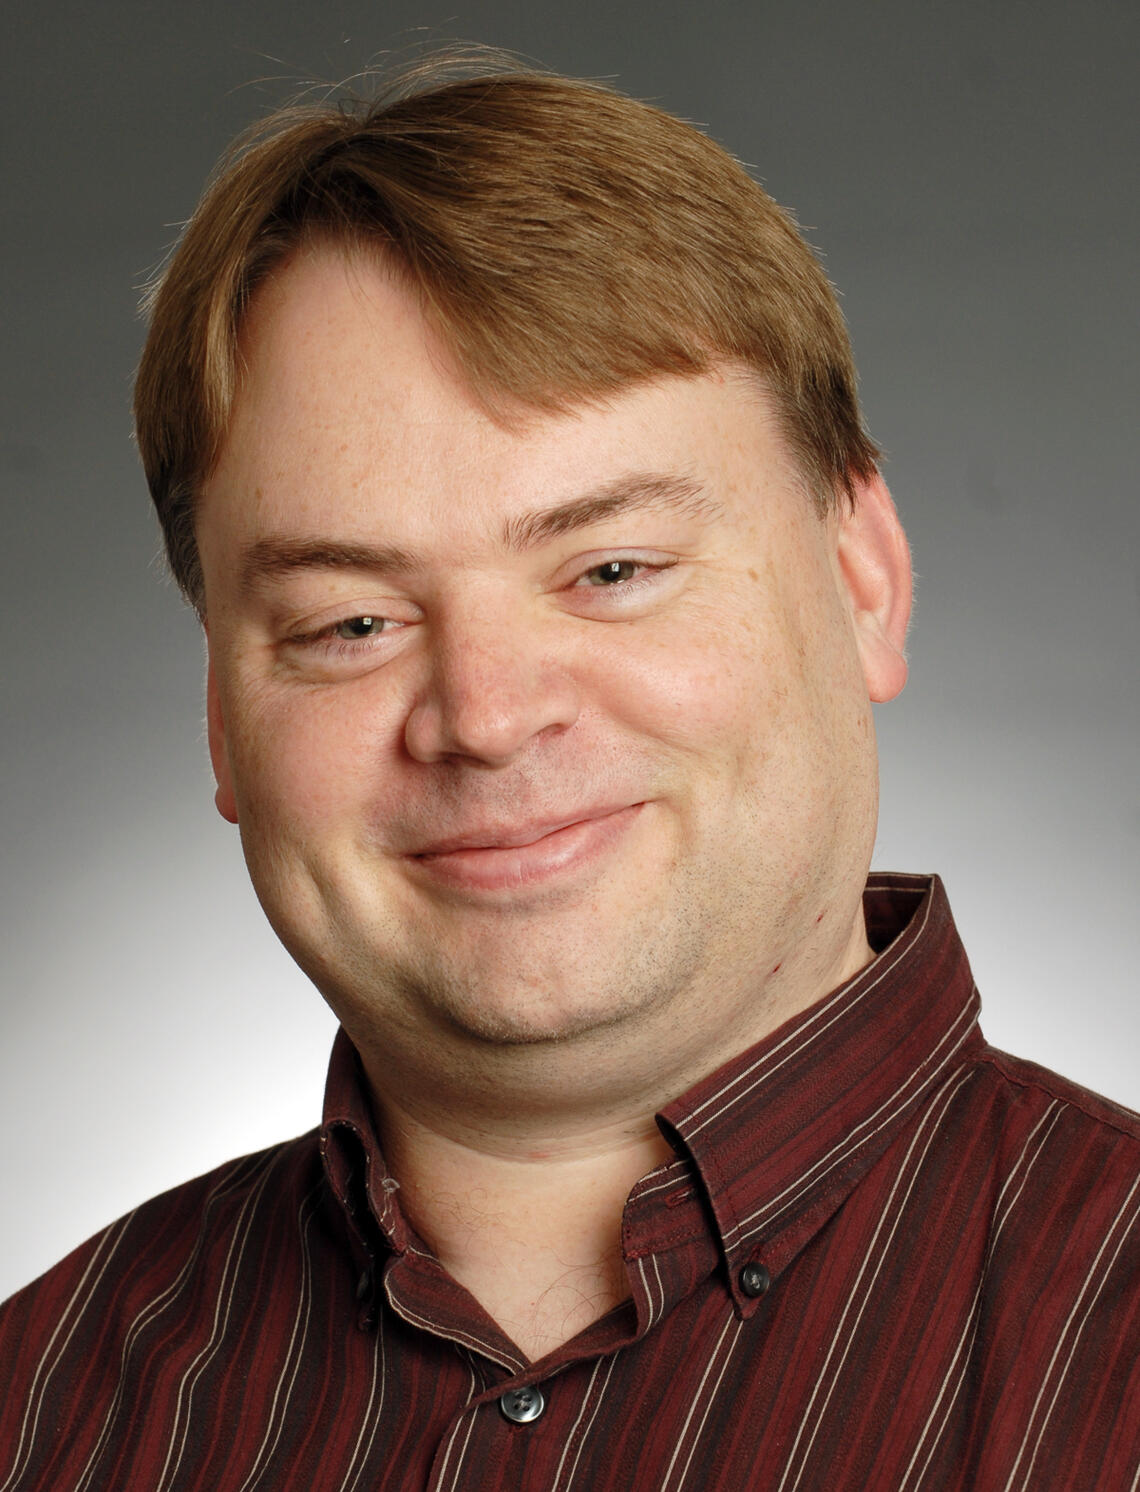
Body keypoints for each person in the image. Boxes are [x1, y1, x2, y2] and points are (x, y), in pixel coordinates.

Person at [1, 55, 1137, 1491]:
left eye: (610, 567)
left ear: (865, 583)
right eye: (351, 622)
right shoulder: (36, 1406)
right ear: (224, 722)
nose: (483, 715)